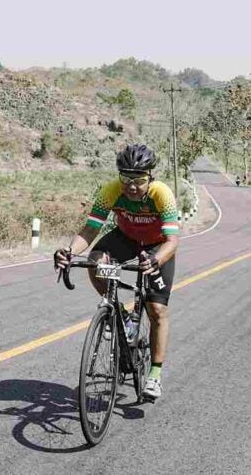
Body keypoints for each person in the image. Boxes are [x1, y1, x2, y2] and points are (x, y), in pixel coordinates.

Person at [54, 144, 179, 400]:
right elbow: (90, 230)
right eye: (126, 178)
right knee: (96, 259)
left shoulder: (161, 194)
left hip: (158, 244)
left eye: (139, 180)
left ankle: (154, 375)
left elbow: (172, 241)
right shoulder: (110, 191)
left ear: (150, 177)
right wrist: (68, 250)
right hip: (126, 238)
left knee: (157, 310)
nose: (132, 186)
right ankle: (120, 312)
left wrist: (156, 260)